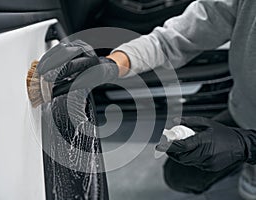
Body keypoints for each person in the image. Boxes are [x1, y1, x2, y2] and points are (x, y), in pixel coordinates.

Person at [44, 0, 256, 198]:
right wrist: (113, 64)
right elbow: (169, 40)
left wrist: (247, 146)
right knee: (180, 174)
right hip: (244, 111)